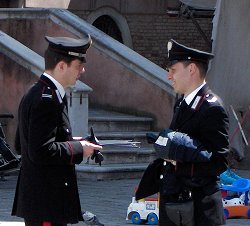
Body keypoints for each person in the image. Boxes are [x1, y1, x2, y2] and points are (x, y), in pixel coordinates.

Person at [12, 34, 103, 226]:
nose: (83, 70)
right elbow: (40, 151)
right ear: (61, 66)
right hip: (47, 202)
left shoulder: (38, 92)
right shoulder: (47, 99)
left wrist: (76, 141)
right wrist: (79, 149)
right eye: (79, 66)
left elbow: (22, 144)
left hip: (44, 201)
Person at [136, 39, 229, 226]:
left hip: (198, 210)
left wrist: (178, 163)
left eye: (173, 70)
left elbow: (219, 163)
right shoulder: (182, 103)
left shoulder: (212, 108)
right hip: (176, 204)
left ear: (191, 69)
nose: (169, 76)